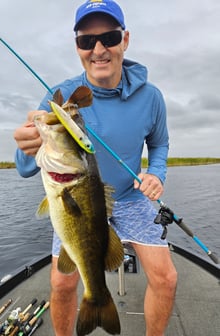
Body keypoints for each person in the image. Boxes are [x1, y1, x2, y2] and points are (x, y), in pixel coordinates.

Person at [13, 1, 177, 335]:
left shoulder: (152, 97)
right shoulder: (60, 98)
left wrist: (156, 174)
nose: (98, 49)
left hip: (131, 199)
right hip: (78, 200)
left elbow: (159, 144)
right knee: (61, 282)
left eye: (109, 37)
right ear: (77, 47)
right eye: (87, 41)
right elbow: (26, 168)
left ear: (125, 40)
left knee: (167, 278)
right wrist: (25, 146)